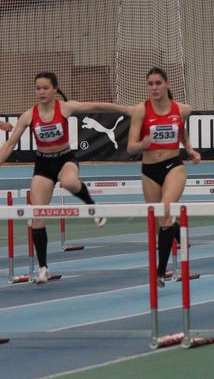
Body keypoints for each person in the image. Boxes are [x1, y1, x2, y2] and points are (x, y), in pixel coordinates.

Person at [0, 72, 132, 284]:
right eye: (38, 88)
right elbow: (9, 145)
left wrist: (127, 110)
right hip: (43, 165)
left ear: (54, 90)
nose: (41, 92)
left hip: (64, 159)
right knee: (37, 215)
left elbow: (96, 105)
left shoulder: (65, 108)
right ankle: (43, 268)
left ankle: (93, 206)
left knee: (69, 182)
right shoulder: (29, 116)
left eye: (45, 88)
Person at [127, 67, 201, 287]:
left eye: (158, 83)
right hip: (149, 171)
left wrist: (190, 149)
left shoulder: (182, 109)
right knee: (160, 222)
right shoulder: (141, 111)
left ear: (168, 84)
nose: (154, 88)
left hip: (173, 167)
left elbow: (182, 131)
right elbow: (130, 147)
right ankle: (176, 230)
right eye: (150, 84)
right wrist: (142, 144)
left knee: (165, 211)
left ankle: (160, 272)